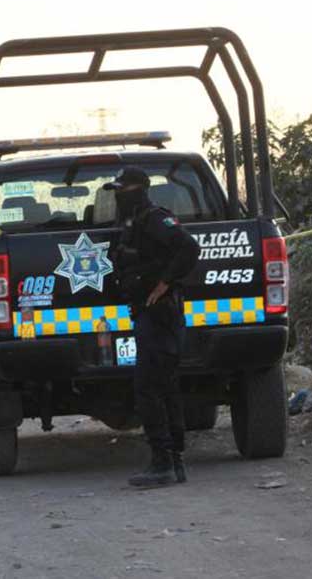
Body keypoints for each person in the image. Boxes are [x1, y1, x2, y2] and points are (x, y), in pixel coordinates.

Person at [105, 167, 200, 487]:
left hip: (161, 314)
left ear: (139, 189)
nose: (118, 195)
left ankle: (164, 462)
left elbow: (188, 247)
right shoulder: (133, 224)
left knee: (149, 389)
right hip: (149, 314)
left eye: (122, 189)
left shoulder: (154, 218)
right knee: (164, 388)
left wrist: (164, 283)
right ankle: (174, 462)